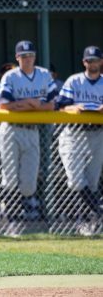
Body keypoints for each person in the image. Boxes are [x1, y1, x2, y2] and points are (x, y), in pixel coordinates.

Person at [0, 40, 58, 230]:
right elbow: (3, 105)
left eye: (30, 55)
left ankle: (12, 211)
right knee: (10, 176)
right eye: (23, 56)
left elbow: (53, 104)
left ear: (35, 56)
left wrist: (25, 104)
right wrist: (32, 103)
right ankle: (12, 220)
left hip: (32, 130)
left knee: (29, 181)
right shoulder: (10, 76)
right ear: (17, 58)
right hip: (11, 129)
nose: (27, 59)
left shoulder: (44, 74)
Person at [57, 45, 103, 235]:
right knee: (76, 180)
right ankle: (99, 213)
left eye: (95, 60)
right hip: (75, 133)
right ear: (84, 62)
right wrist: (75, 109)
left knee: (91, 183)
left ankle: (88, 224)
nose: (92, 63)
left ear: (101, 61)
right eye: (89, 60)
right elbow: (61, 107)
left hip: (98, 134)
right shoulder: (74, 81)